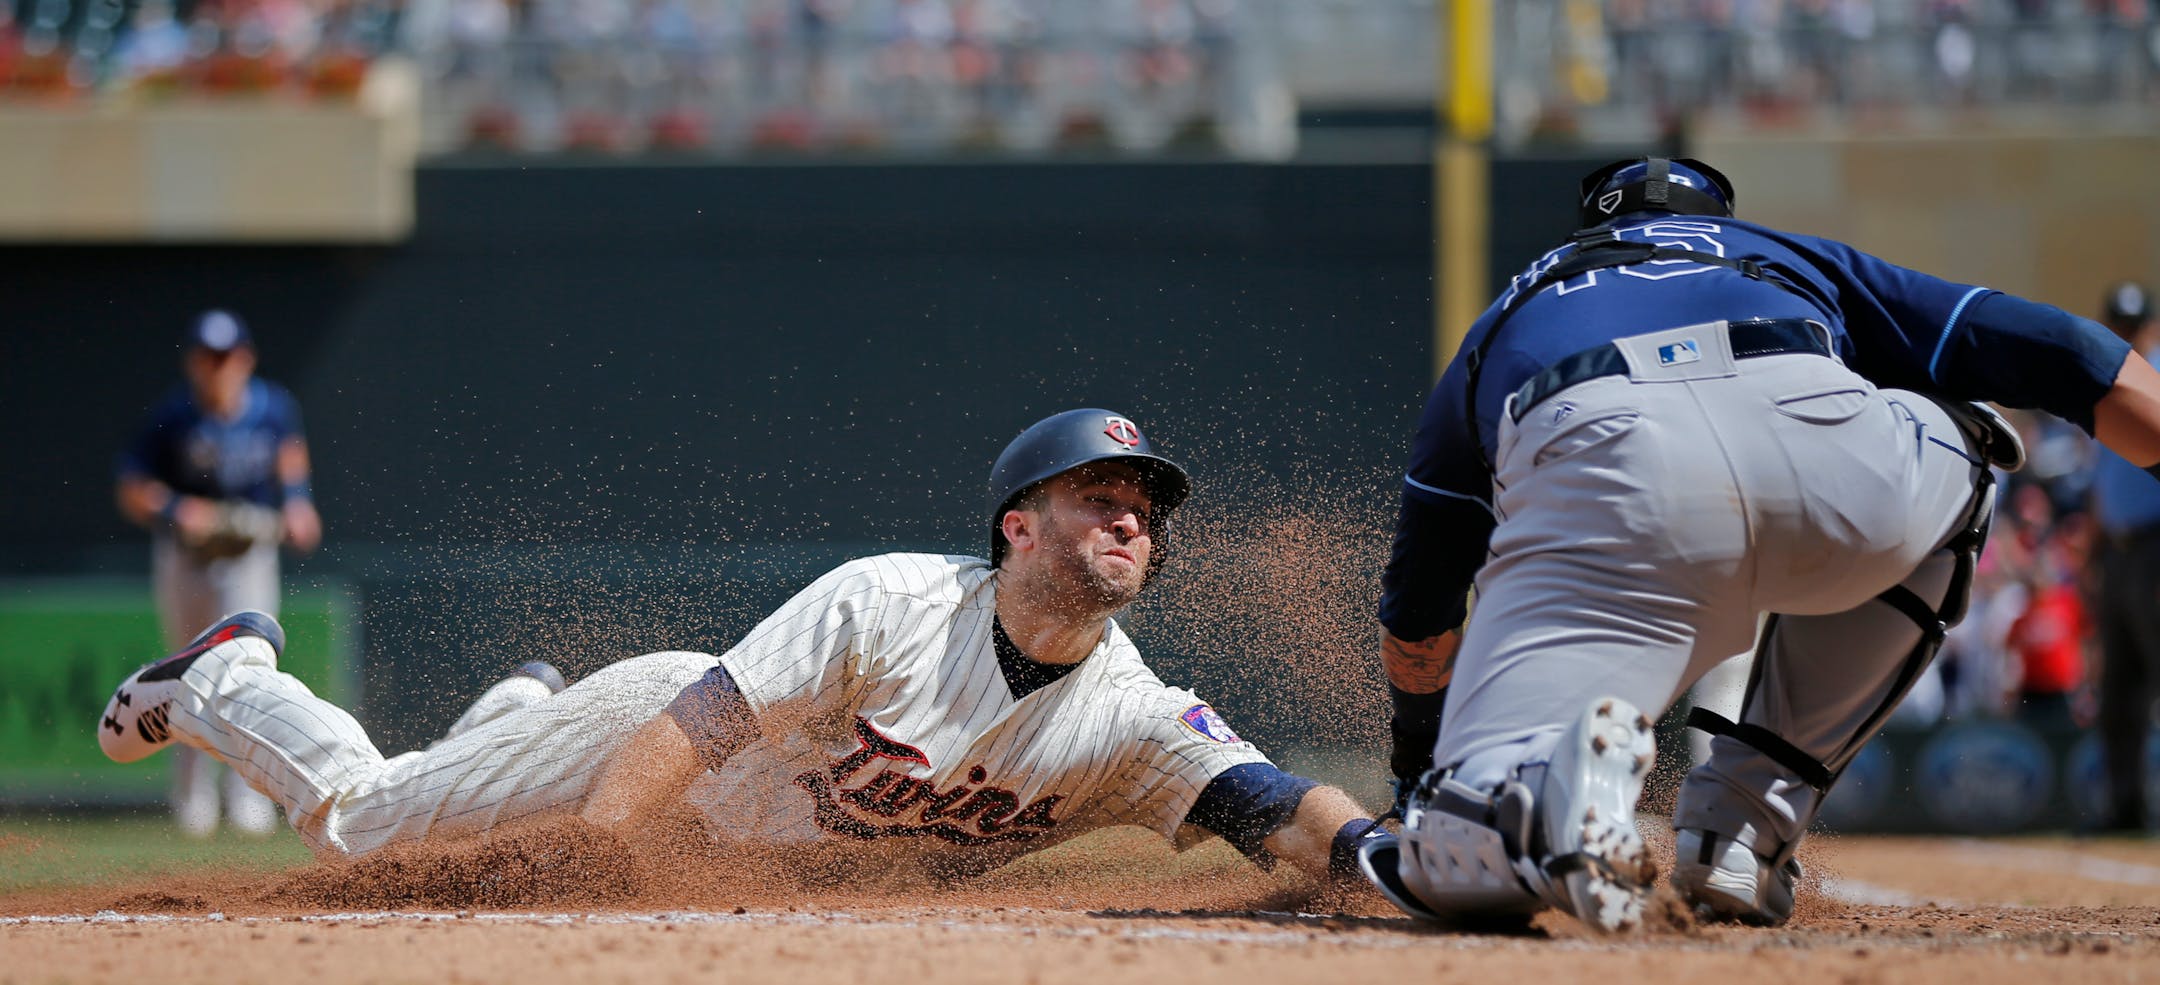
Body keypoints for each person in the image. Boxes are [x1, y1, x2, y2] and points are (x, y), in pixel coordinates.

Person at [1359, 157, 2160, 933]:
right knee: (1969, 428)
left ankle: (1528, 789)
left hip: (1602, 465)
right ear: (1716, 221)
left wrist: (1422, 767)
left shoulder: (1513, 305)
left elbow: (1419, 611)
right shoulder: (1784, 254)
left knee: (1455, 844)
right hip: (1819, 444)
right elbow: (2068, 352)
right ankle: (1743, 826)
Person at [98, 409, 1380, 884]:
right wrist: (598, 850)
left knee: (461, 800)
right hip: (656, 746)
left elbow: (1276, 802)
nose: (1130, 520)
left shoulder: (1134, 718)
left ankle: (505, 728)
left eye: (1145, 510)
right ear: (1018, 525)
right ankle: (227, 679)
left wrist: (1387, 859)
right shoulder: (890, 602)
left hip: (728, 841)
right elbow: (697, 725)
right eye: (1099, 496)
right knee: (366, 829)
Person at [114, 310, 323, 837]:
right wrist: (175, 509)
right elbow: (132, 487)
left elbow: (290, 455)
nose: (218, 367)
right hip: (187, 554)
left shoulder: (272, 407)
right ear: (193, 362)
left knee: (249, 668)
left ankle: (248, 798)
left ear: (245, 358)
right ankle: (192, 800)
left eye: (226, 356)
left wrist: (298, 502)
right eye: (208, 357)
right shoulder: (174, 414)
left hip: (248, 550)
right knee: (186, 670)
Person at [2088, 280, 2160, 833]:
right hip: (2116, 552)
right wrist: (2093, 554)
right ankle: (2125, 808)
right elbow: (2103, 481)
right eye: (2119, 324)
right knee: (2119, 691)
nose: (2126, 334)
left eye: (2133, 326)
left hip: (2156, 546)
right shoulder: (2106, 377)